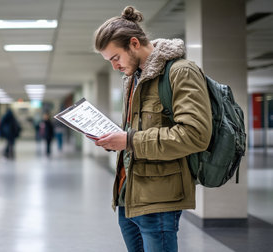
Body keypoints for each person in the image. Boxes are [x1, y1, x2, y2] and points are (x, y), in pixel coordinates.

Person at [92, 6, 212, 252]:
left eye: (116, 58)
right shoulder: (133, 79)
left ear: (134, 43)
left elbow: (196, 135)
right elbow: (135, 133)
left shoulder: (180, 72)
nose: (114, 66)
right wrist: (115, 139)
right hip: (129, 196)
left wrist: (129, 141)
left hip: (159, 198)